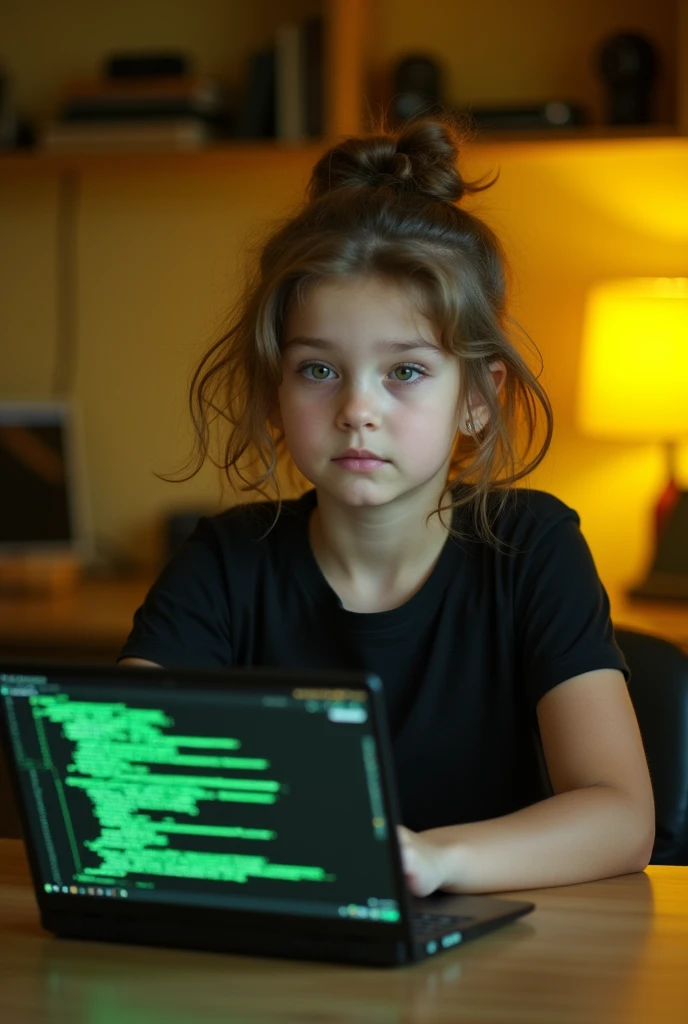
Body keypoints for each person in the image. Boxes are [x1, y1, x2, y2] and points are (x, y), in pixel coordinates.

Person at [119, 116, 654, 898]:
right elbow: (121, 778)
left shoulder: (534, 547)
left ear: (475, 398)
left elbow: (620, 816)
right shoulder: (226, 562)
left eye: (404, 371)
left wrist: (433, 861)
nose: (357, 409)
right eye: (318, 371)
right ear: (277, 392)